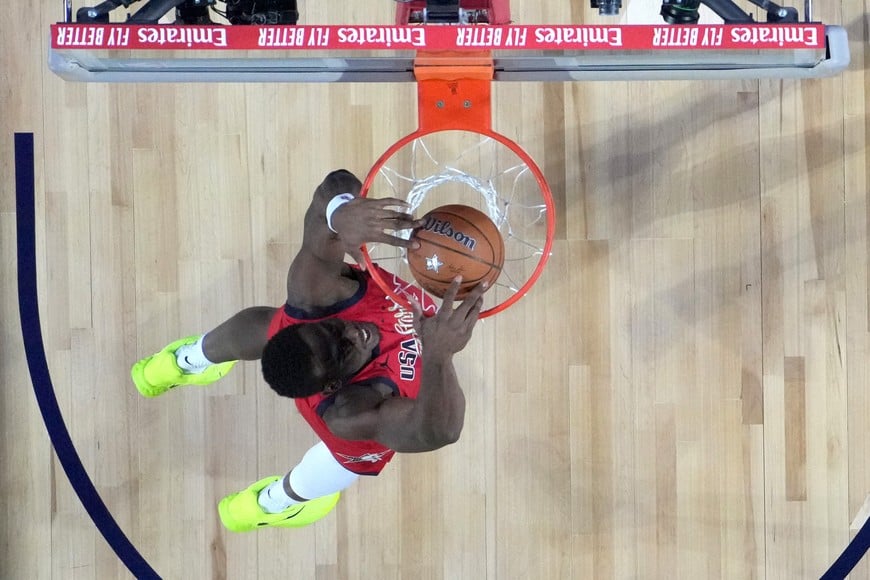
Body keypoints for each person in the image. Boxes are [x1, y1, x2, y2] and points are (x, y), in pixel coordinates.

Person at [131, 169, 486, 532]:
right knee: (342, 462)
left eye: (335, 328)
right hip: (356, 415)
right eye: (343, 350)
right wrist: (438, 357)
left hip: (311, 341)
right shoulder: (350, 413)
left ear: (314, 323)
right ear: (332, 385)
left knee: (271, 325)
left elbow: (332, 186)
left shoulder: (314, 295)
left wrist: (340, 211)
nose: (356, 332)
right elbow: (438, 431)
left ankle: (189, 360)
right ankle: (281, 501)